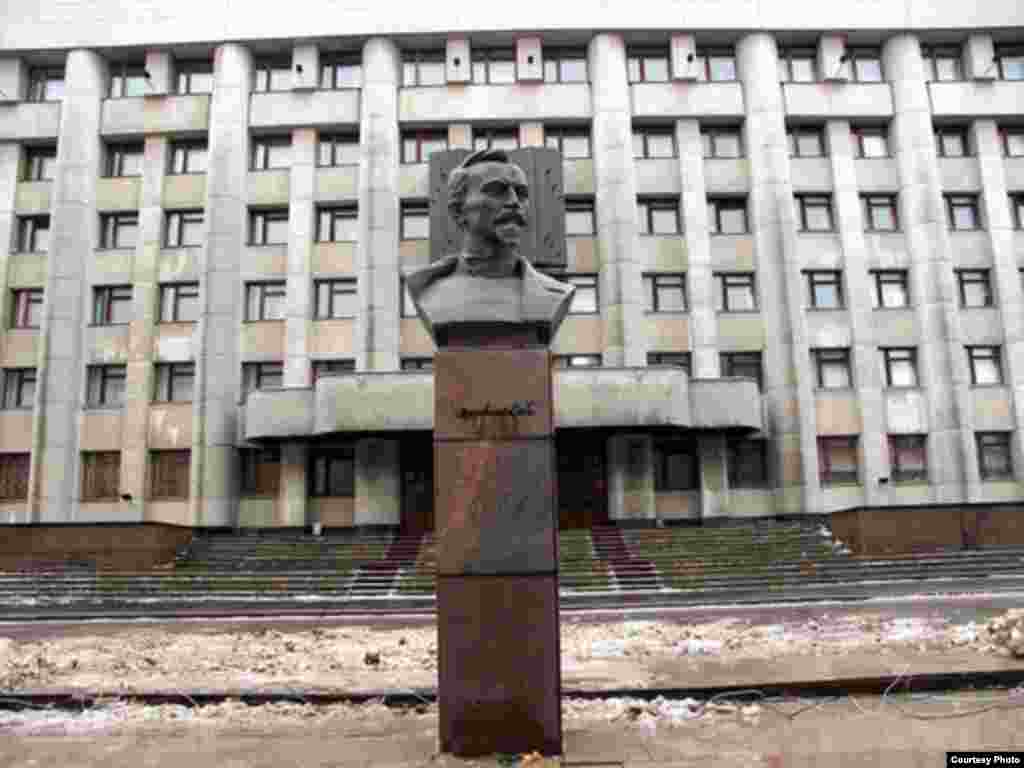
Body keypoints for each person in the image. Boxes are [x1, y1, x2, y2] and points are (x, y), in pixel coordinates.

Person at [404, 149, 575, 345]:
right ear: (458, 210)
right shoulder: (425, 290)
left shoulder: (555, 295)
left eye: (521, 194)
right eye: (496, 191)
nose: (514, 202)